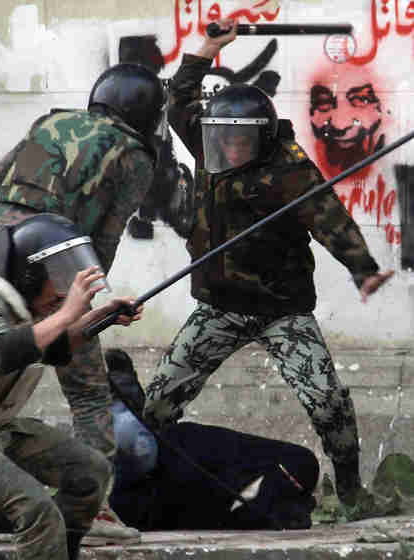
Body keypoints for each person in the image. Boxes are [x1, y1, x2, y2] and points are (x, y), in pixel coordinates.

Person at [143, 20, 395, 520]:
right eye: (223, 140)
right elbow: (179, 102)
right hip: (218, 308)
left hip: (282, 311)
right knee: (156, 405)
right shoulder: (207, 142)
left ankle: (350, 491)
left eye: (240, 141)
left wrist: (362, 269)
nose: (229, 149)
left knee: (327, 403)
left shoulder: (289, 169)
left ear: (260, 139)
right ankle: (135, 483)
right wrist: (206, 49)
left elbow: (331, 219)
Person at [0, 62, 166, 541]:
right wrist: (89, 307)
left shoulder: (49, 123)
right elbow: (101, 242)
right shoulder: (134, 155)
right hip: (49, 268)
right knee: (90, 391)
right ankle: (98, 511)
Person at [0, 213, 143, 560]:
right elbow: (1, 352)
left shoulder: (26, 307)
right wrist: (66, 314)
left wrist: (99, 318)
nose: (63, 287)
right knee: (36, 511)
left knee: (90, 472)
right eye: (56, 274)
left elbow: (50, 347)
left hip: (0, 428)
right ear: (30, 275)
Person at [105, 348, 320, 531]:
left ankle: (130, 405)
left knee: (135, 451)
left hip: (164, 488)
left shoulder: (274, 512)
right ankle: (130, 404)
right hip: (179, 457)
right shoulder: (297, 467)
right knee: (135, 437)